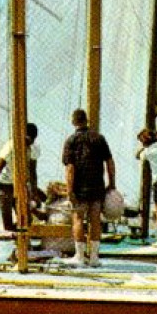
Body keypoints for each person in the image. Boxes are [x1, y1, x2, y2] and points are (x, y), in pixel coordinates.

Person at [62, 108, 115, 267]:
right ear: (87, 120)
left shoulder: (71, 141)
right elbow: (110, 162)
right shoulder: (99, 138)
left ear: (73, 122)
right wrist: (112, 183)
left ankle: (79, 256)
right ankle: (94, 257)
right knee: (95, 220)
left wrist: (69, 190)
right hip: (97, 186)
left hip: (79, 188)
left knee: (78, 219)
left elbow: (70, 168)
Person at [0, 122, 40, 232]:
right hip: (4, 186)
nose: (29, 143)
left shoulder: (33, 149)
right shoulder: (10, 148)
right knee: (7, 223)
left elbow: (32, 173)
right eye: (28, 140)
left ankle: (20, 241)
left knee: (26, 219)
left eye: (32, 140)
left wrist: (34, 193)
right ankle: (13, 240)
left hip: (20, 185)